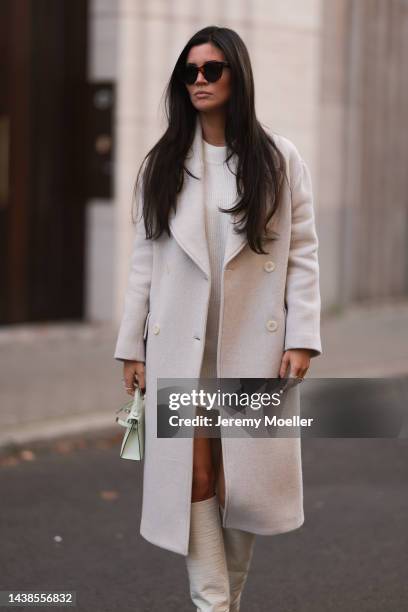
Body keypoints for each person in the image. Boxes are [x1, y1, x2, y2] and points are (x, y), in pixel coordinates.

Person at [114, 25, 322, 612]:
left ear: (237, 76)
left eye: (212, 70)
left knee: (243, 486)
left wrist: (303, 335)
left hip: (253, 347)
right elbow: (144, 262)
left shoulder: (277, 159)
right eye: (190, 72)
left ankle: (225, 600)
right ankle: (212, 604)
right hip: (182, 351)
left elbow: (302, 251)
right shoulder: (164, 164)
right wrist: (132, 346)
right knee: (196, 480)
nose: (199, 81)